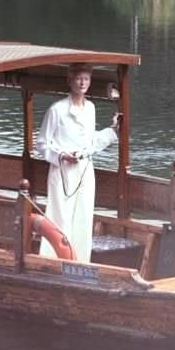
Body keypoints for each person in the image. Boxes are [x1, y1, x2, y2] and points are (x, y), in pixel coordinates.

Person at [36, 63, 119, 262]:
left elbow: (90, 142)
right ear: (70, 80)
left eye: (86, 79)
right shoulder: (57, 110)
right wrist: (62, 155)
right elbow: (42, 144)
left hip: (84, 170)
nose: (82, 82)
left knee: (83, 214)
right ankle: (54, 260)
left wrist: (113, 130)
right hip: (62, 170)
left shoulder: (90, 108)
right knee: (60, 215)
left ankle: (80, 260)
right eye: (78, 78)